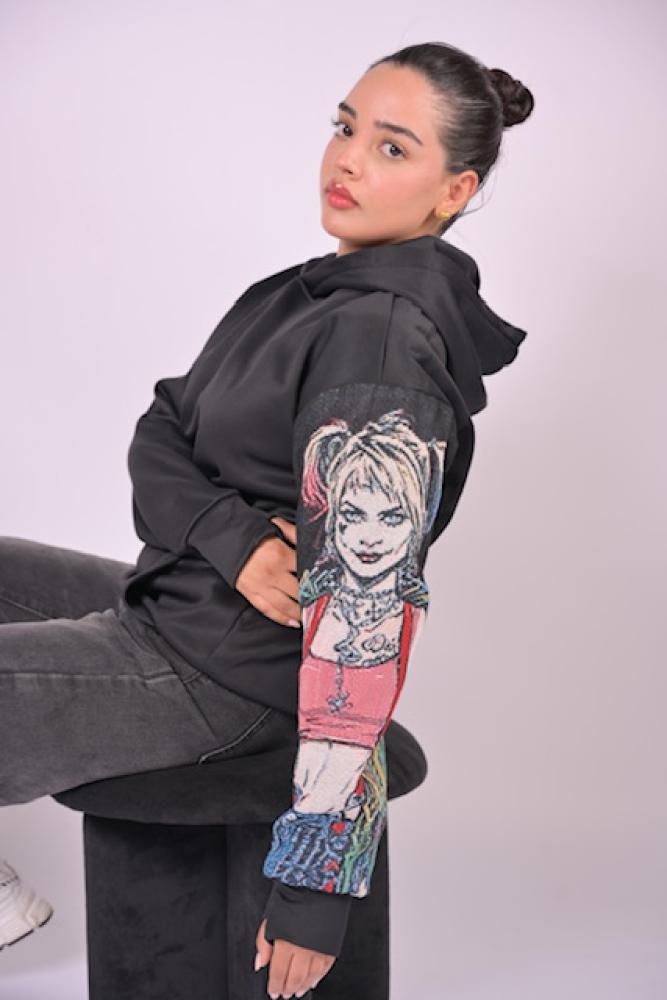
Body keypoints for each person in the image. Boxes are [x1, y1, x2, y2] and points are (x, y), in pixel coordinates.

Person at [1, 40, 534, 999]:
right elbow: (160, 425)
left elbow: (363, 625)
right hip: (185, 604)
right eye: (344, 128)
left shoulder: (379, 350)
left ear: (453, 191)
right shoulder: (302, 293)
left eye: (392, 148)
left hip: (227, 679)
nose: (347, 160)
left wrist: (315, 888)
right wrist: (233, 536)